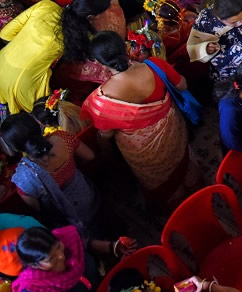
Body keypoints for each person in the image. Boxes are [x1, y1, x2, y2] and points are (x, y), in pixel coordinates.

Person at [81, 31, 197, 204]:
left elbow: (106, 135)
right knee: (182, 160)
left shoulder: (101, 101)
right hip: (173, 132)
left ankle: (177, 205)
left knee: (161, 180)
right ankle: (195, 188)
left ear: (99, 63)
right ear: (125, 48)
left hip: (141, 149)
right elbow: (182, 85)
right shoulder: (155, 65)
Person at [1, 111, 97, 232]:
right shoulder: (63, 137)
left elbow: (38, 209)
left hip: (65, 219)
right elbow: (90, 156)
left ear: (15, 148)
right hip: (86, 195)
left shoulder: (23, 177)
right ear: (38, 126)